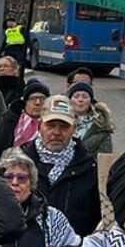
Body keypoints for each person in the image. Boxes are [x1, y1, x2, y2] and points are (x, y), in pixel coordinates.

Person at [19, 95, 101, 236]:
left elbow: (97, 218)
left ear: (74, 129)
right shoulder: (19, 163)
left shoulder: (89, 168)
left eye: (64, 126)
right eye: (50, 125)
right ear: (40, 126)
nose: (56, 132)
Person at [0, 79, 50, 160]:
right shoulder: (15, 119)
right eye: (32, 99)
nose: (37, 103)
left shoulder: (50, 123)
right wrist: (11, 116)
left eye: (42, 99)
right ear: (25, 103)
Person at [66, 81, 114, 154]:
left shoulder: (102, 124)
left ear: (90, 101)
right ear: (70, 100)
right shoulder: (62, 120)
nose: (80, 100)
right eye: (76, 96)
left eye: (85, 97)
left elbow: (105, 154)